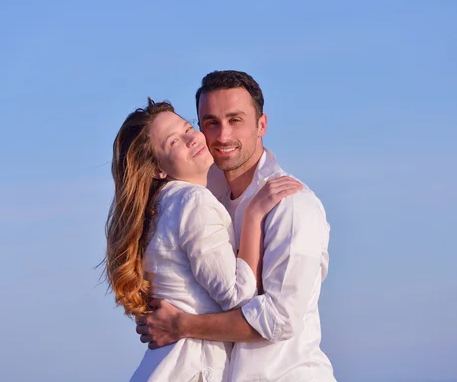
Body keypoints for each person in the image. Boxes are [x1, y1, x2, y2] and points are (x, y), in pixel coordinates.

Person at [136, 71, 337, 381]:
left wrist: (181, 325)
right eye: (211, 123)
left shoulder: (292, 205)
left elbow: (279, 320)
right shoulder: (202, 196)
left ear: (262, 125)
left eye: (236, 120)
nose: (223, 136)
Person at [103, 98, 302, 381]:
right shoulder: (192, 201)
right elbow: (237, 295)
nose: (190, 139)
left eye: (187, 128)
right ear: (158, 169)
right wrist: (253, 217)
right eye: (173, 143)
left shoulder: (158, 208)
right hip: (194, 368)